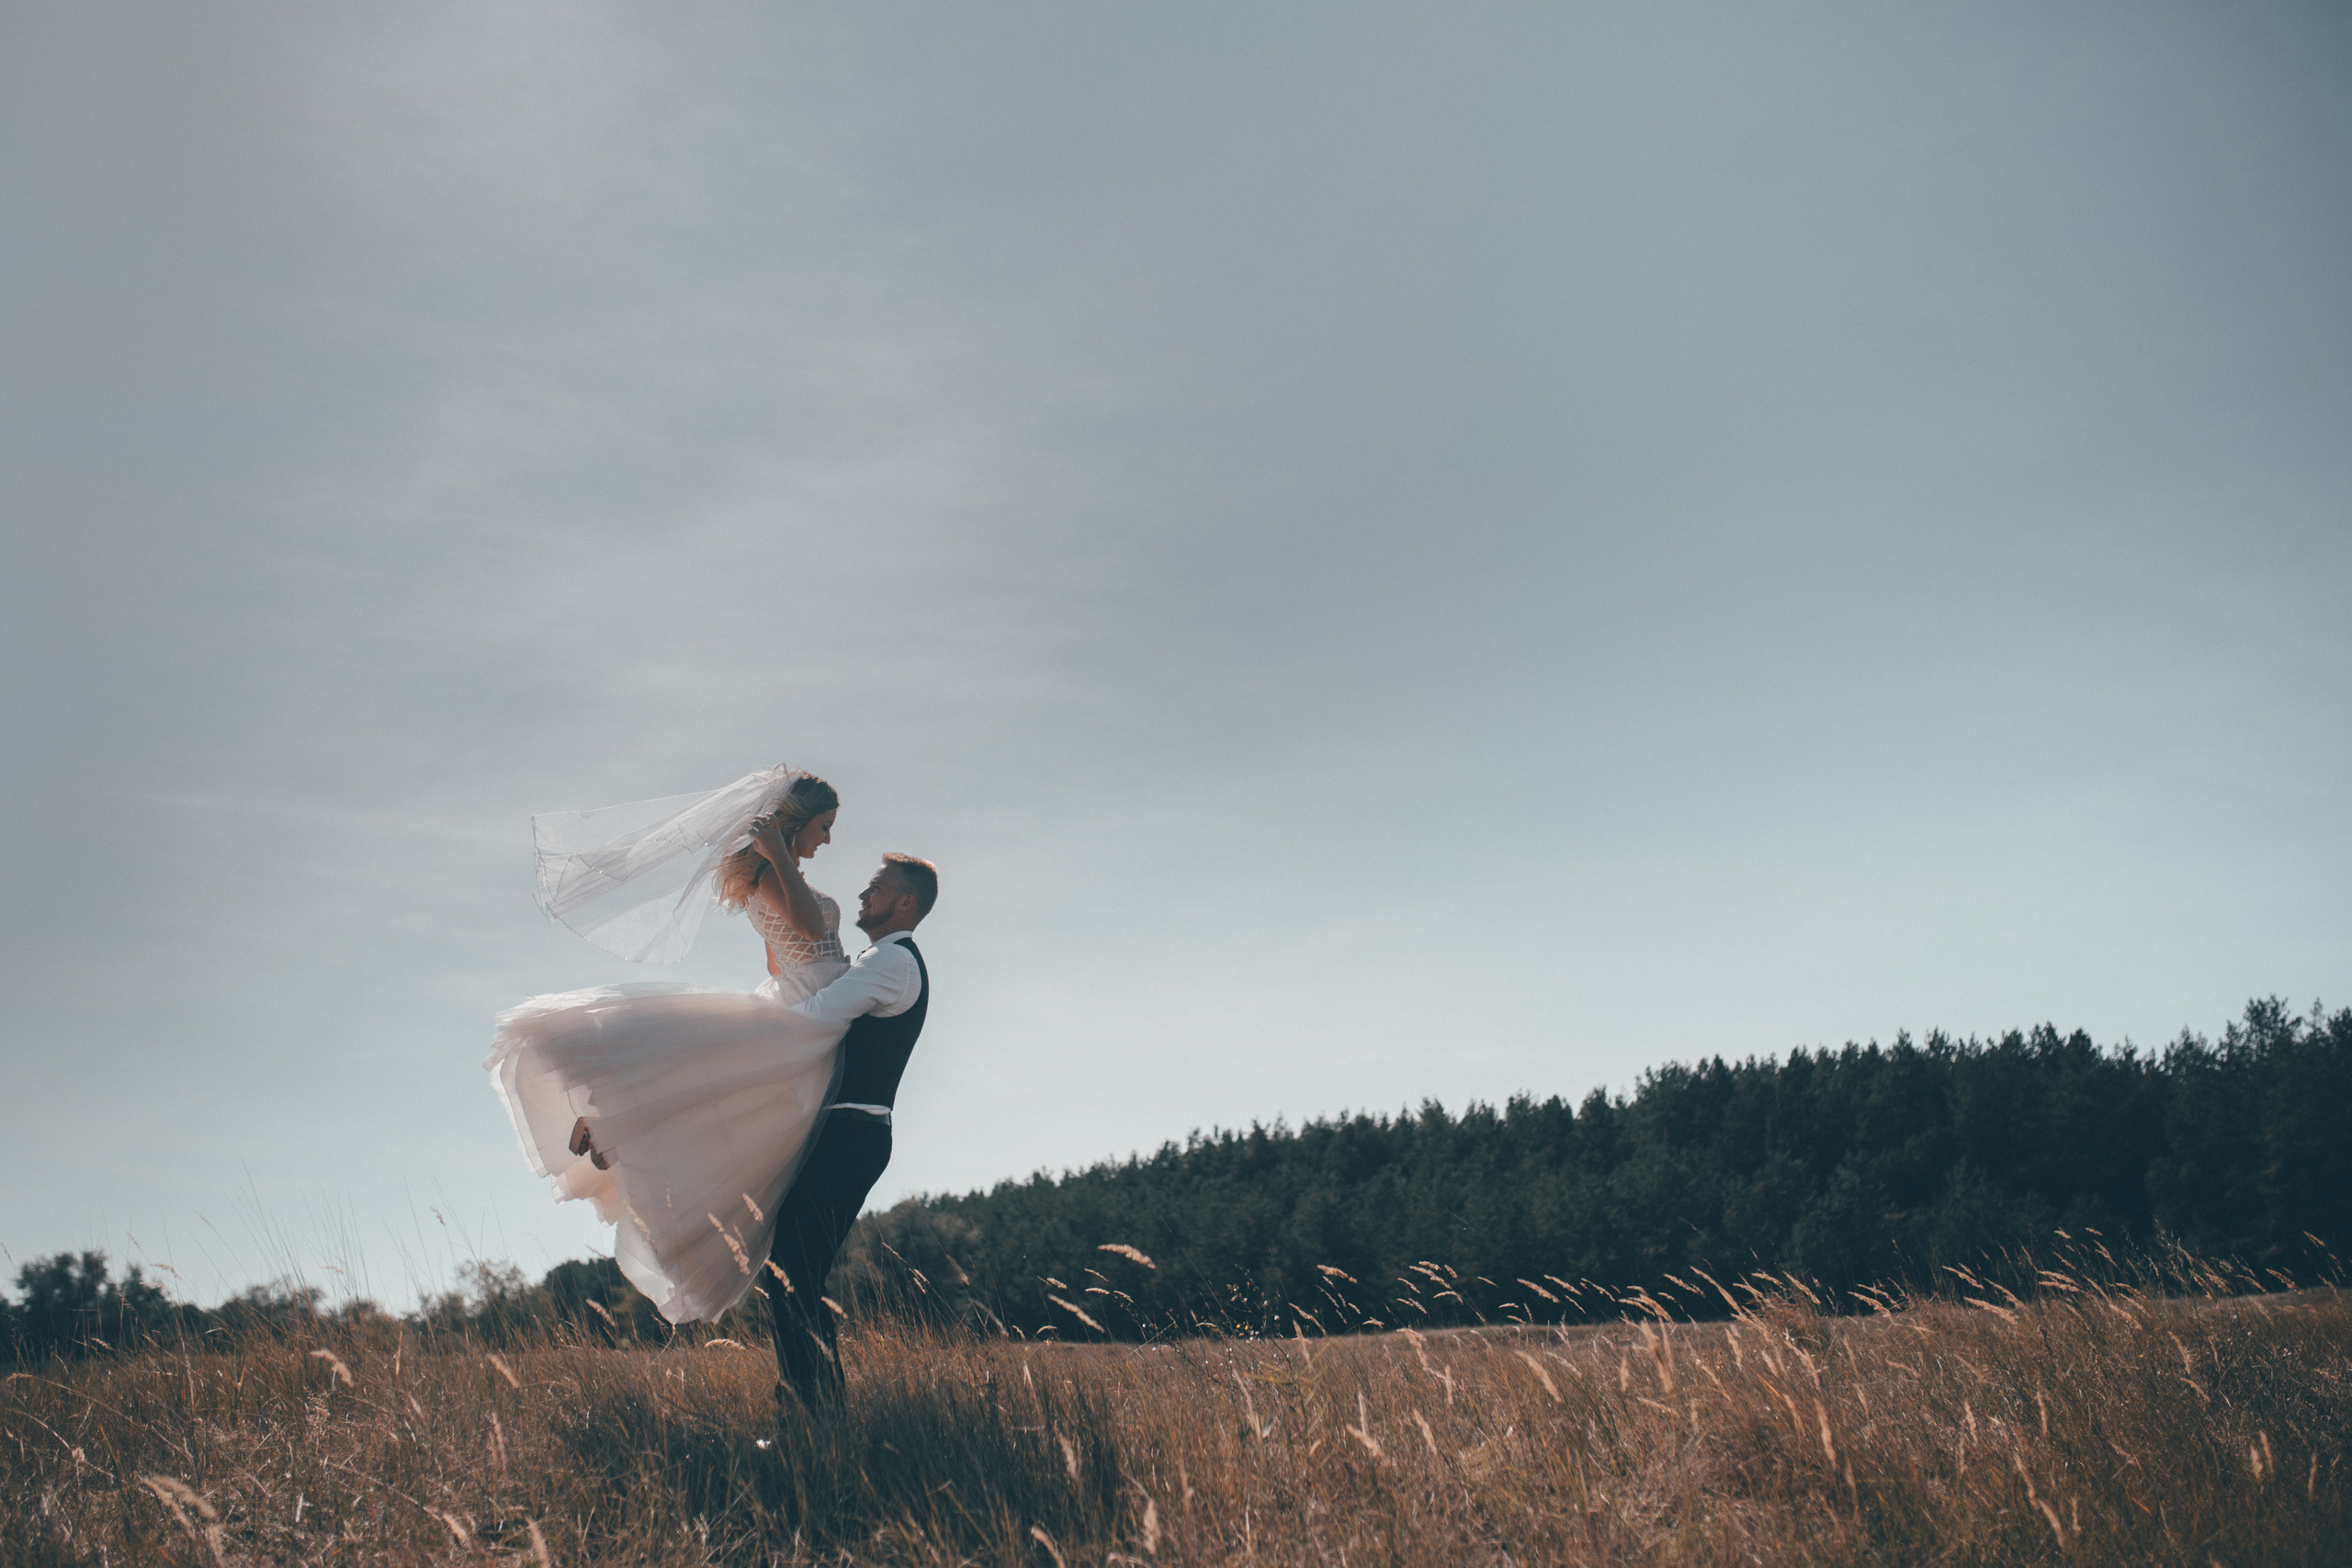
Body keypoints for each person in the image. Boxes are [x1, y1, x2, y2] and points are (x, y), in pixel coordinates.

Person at [485, 766, 876, 1325]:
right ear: (796, 822)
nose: (829, 839)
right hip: (813, 1013)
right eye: (824, 825)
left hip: (802, 997)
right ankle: (612, 1129)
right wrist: (782, 861)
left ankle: (613, 1134)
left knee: (734, 1118)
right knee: (737, 1120)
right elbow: (814, 932)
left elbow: (778, 954)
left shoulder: (772, 875)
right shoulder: (772, 872)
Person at [762, 851, 936, 1414]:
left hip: (852, 1135)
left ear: (904, 902)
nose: (864, 896)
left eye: (876, 887)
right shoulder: (880, 959)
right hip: (842, 1133)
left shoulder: (894, 963)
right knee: (795, 1271)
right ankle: (814, 1404)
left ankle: (810, 1408)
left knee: (793, 1270)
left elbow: (816, 1018)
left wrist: (739, 1030)